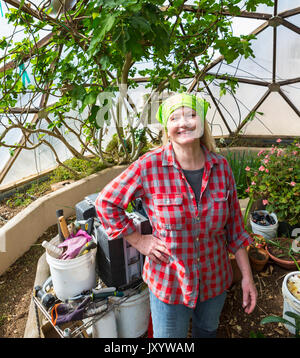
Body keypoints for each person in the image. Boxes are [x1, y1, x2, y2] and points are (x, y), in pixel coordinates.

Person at [95, 92, 257, 338]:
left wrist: (247, 276)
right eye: (175, 118)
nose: (184, 123)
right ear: (167, 128)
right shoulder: (149, 166)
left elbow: (235, 228)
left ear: (202, 123)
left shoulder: (221, 167)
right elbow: (106, 202)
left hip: (214, 279)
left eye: (192, 115)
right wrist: (140, 241)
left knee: (207, 331)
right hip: (169, 283)